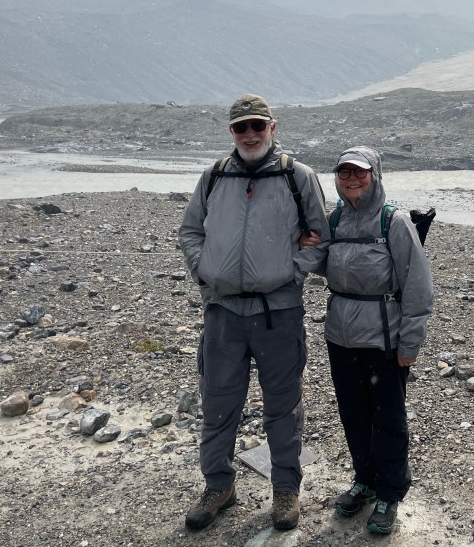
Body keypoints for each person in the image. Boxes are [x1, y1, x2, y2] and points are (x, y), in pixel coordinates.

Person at [178, 94, 328, 532]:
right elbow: (190, 231)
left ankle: (286, 490)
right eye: (241, 127)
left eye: (257, 125)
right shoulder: (214, 176)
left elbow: (320, 236)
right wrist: (204, 273)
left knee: (283, 406)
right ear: (231, 132)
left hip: (278, 313)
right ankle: (218, 486)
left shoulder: (297, 176)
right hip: (223, 312)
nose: (249, 134)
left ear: (272, 128)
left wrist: (290, 273)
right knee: (218, 403)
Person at [309, 146, 434, 535]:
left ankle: (389, 493)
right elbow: (320, 263)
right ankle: (364, 480)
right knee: (353, 413)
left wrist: (410, 344)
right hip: (340, 336)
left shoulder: (394, 222)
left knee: (388, 418)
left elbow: (418, 286)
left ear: (374, 175)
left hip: (384, 339)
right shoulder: (334, 219)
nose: (352, 179)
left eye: (359, 172)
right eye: (344, 172)